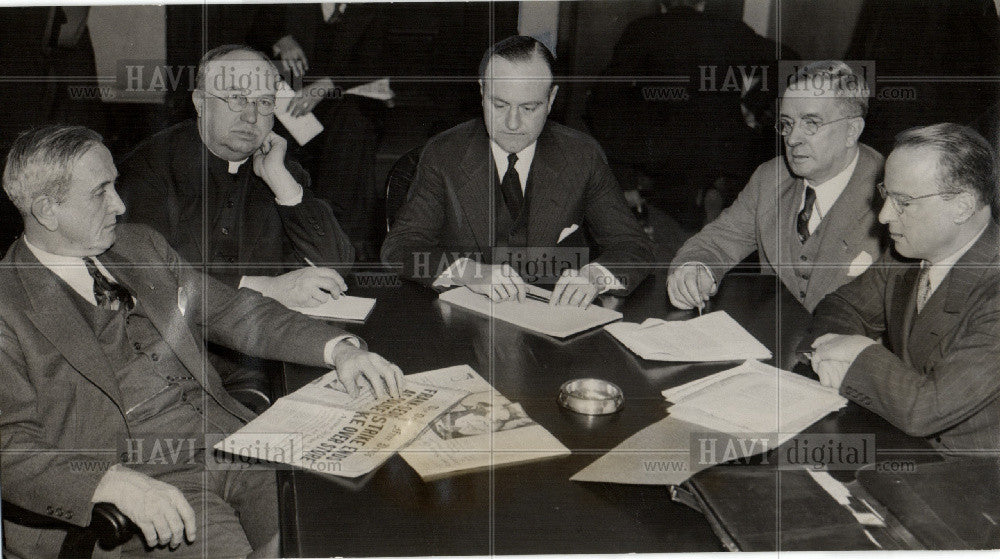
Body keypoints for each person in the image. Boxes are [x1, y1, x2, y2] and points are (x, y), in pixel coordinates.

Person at [0, 124, 404, 558]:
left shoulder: (140, 246)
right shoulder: (8, 305)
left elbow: (232, 312)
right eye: (101, 192)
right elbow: (9, 446)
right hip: (144, 484)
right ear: (47, 210)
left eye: (115, 185)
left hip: (233, 443)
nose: (119, 204)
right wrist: (107, 482)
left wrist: (338, 349)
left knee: (337, 529)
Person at [117, 45, 356, 404]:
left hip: (268, 347)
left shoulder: (278, 165)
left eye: (263, 102)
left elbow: (337, 262)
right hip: (178, 357)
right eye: (236, 99)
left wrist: (283, 185)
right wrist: (269, 287)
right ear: (200, 103)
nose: (251, 117)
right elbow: (156, 282)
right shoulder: (151, 167)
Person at [381, 35, 654, 307]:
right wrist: (470, 273)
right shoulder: (444, 153)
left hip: (555, 322)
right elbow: (399, 249)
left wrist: (595, 276)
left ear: (551, 99)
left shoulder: (582, 156)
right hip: (463, 322)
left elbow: (634, 246)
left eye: (528, 107)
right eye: (499, 105)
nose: (512, 123)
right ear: (481, 91)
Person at [806, 123, 1000, 454]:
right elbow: (842, 306)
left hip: (973, 477)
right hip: (900, 439)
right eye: (886, 195)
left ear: (963, 206)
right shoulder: (908, 254)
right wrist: (834, 353)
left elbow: (925, 410)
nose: (883, 216)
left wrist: (857, 353)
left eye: (903, 202)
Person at [667, 60, 884, 312]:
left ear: (852, 130)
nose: (792, 139)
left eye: (811, 123)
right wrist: (695, 270)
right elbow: (716, 242)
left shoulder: (893, 193)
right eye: (787, 123)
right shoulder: (771, 177)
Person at [251, 3, 388, 259]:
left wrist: (326, 85)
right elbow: (255, 27)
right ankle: (285, 246)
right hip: (292, 100)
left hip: (347, 101)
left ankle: (338, 246)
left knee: (351, 132)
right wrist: (281, 39)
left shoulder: (375, 7)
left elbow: (376, 61)